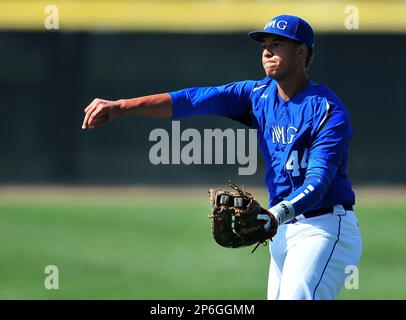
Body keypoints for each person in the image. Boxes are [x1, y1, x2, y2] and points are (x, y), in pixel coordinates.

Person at [82, 14, 362, 300]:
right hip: (280, 229)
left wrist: (274, 215)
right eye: (264, 44)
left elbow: (320, 180)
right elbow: (193, 99)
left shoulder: (326, 110)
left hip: (323, 228)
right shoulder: (257, 96)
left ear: (301, 52)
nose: (266, 52)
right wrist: (123, 106)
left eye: (277, 44)